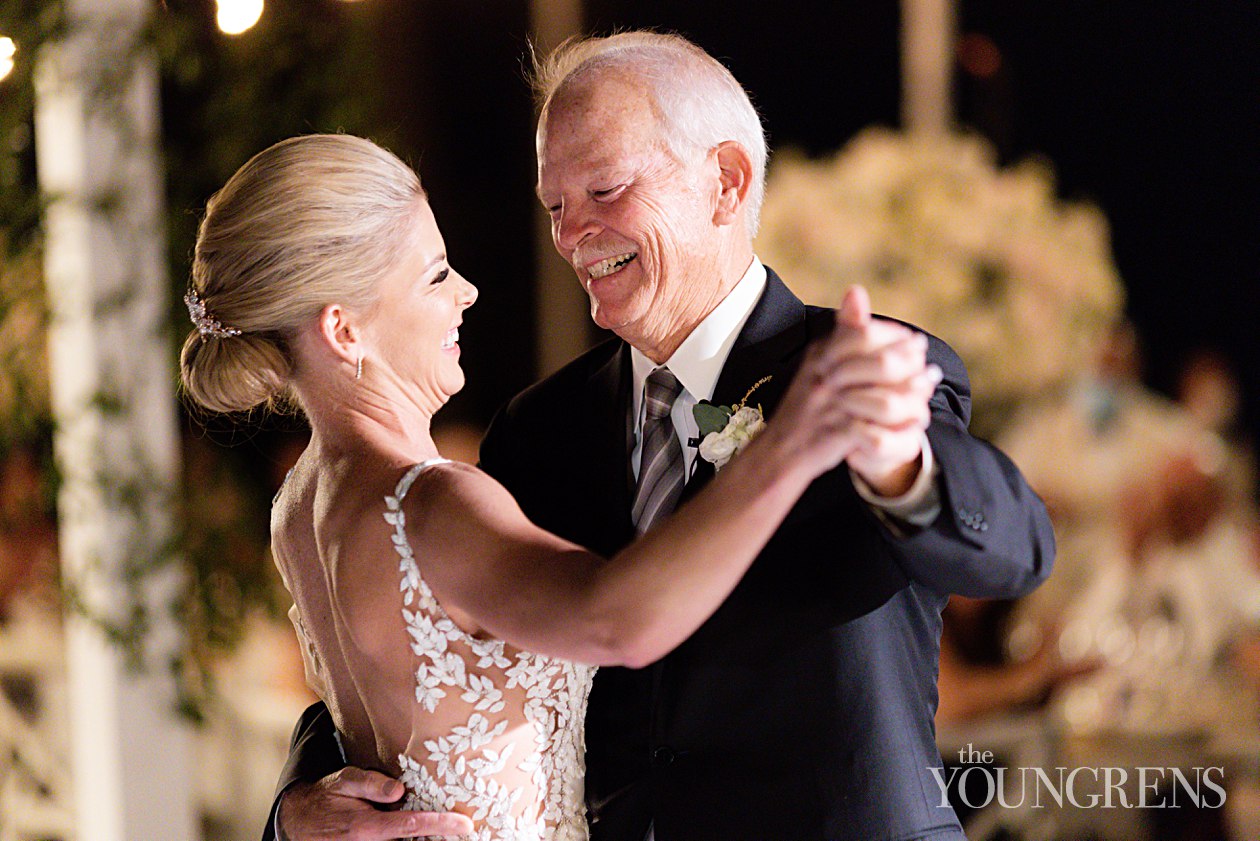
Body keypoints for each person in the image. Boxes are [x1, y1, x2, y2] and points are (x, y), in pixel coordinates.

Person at [269, 32, 1055, 841]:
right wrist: (298, 801)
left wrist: (903, 466)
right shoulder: (538, 431)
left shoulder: (855, 375)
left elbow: (1018, 550)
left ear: (725, 182)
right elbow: (426, 661)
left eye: (605, 189)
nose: (572, 235)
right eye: (555, 206)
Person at [181, 133, 935, 840]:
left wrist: (289, 817)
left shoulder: (300, 506)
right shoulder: (437, 505)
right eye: (436, 274)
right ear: (345, 331)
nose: (467, 293)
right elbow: (618, 622)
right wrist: (792, 444)